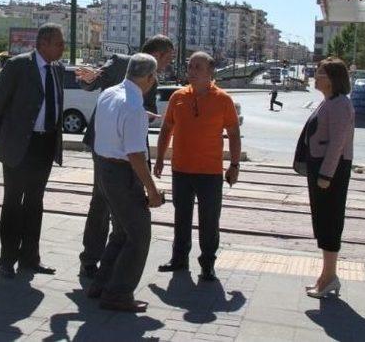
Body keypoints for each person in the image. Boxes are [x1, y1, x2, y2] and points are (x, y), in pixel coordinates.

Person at [75, 35, 174, 278]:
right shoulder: (122, 63)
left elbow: (135, 108)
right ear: (159, 54)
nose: (168, 65)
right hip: (107, 148)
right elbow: (92, 84)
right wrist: (88, 79)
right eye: (168, 59)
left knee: (123, 209)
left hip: (129, 144)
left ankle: (112, 261)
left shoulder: (151, 75)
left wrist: (144, 115)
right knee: (101, 204)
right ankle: (90, 260)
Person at [0, 24, 65, 279]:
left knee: (35, 202)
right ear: (44, 43)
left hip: (45, 144)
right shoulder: (19, 65)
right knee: (13, 202)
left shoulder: (57, 69)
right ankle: (7, 259)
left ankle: (31, 258)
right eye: (59, 43)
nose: (63, 47)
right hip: (19, 144)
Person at [154, 52, 241, 281]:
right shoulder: (178, 97)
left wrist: (234, 164)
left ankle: (208, 264)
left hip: (210, 172)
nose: (191, 71)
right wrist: (161, 158)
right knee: (181, 217)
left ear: (210, 72)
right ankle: (179, 259)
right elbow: (166, 129)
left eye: (197, 67)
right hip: (181, 169)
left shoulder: (223, 100)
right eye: (190, 66)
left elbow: (233, 133)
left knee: (209, 221)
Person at [87, 53, 164, 312]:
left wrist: (141, 117)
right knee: (139, 236)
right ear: (150, 77)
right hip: (122, 174)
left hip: (104, 168)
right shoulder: (133, 106)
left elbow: (114, 122)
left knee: (121, 232)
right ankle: (118, 294)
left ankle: (102, 283)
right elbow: (135, 155)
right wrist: (152, 190)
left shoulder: (110, 93)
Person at [293, 57, 354, 298]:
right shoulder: (329, 102)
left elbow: (338, 142)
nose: (316, 77)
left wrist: (326, 174)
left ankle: (329, 276)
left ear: (332, 79)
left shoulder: (340, 104)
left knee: (329, 221)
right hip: (321, 167)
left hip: (331, 170)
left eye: (320, 73)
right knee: (323, 220)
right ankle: (326, 275)